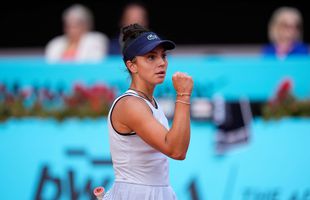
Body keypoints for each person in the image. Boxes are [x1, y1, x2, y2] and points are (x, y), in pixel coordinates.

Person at [103, 23, 193, 199]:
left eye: (163, 56)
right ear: (132, 66)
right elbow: (176, 150)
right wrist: (183, 95)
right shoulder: (130, 104)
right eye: (151, 57)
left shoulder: (148, 103)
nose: (161, 63)